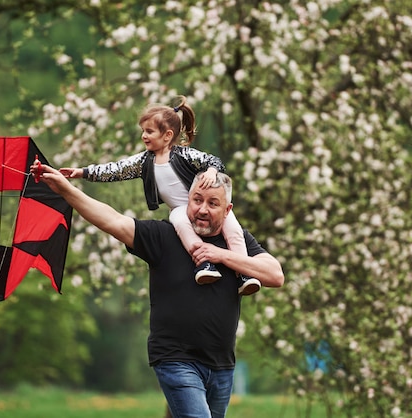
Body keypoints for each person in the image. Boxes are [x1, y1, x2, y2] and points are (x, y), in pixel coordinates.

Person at [35, 164, 285, 418]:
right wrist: (66, 190)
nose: (202, 209)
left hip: (222, 366)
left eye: (212, 203)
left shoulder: (237, 242)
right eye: (197, 200)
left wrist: (220, 255)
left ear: (227, 210)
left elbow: (275, 275)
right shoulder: (164, 236)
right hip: (175, 359)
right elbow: (113, 221)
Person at [58, 96, 262, 295]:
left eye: (149, 131)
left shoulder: (184, 154)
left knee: (234, 230)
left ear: (167, 135)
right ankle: (204, 263)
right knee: (181, 222)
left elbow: (214, 161)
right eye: (143, 131)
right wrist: (83, 172)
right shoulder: (144, 161)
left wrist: (211, 171)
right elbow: (116, 170)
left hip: (200, 206)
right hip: (180, 209)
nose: (144, 136)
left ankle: (244, 272)